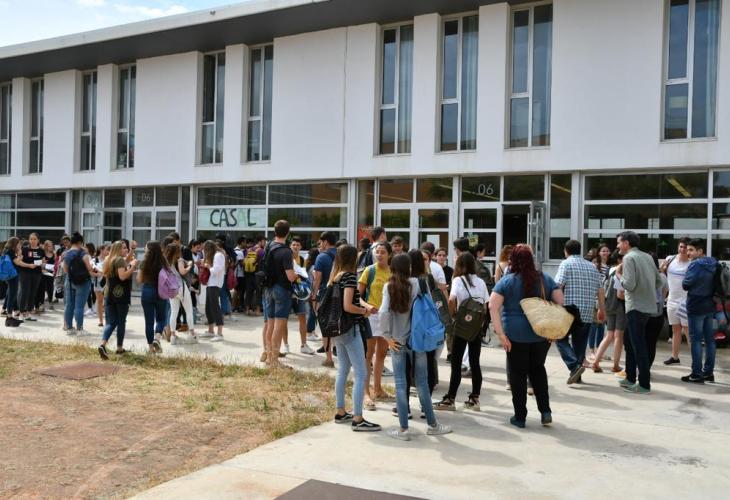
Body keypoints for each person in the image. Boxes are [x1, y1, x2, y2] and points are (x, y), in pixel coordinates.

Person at [489, 244, 563, 428]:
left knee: (518, 375)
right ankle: (545, 411)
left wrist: (500, 334)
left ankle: (520, 417)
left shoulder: (507, 281)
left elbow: (493, 307)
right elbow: (560, 302)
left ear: (512, 260)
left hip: (515, 335)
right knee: (538, 370)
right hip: (541, 334)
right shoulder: (545, 278)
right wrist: (554, 329)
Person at [381, 253, 452, 440]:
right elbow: (431, 310)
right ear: (409, 267)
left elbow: (383, 313)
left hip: (397, 341)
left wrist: (387, 337)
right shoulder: (420, 284)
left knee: (400, 384)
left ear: (393, 268)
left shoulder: (389, 286)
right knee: (422, 383)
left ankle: (404, 429)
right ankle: (432, 425)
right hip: (418, 340)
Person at [330, 244, 381, 432]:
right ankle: (358, 418)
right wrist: (363, 312)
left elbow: (352, 298)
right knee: (360, 372)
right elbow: (348, 306)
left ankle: (341, 411)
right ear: (354, 259)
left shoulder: (336, 277)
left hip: (338, 329)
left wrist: (366, 306)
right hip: (350, 328)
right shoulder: (350, 277)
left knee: (343, 369)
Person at [434, 252, 489, 412]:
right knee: (475, 362)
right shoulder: (480, 282)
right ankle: (475, 399)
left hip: (461, 326)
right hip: (476, 327)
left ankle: (450, 398)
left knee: (456, 363)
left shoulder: (458, 280)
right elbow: (485, 305)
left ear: (460, 265)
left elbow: (451, 300)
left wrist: (452, 316)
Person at [616, 231, 664, 394]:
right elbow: (659, 281)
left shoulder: (628, 258)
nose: (617, 246)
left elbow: (629, 285)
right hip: (648, 306)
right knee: (630, 343)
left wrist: (618, 275)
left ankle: (644, 384)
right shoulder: (648, 257)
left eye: (619, 242)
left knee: (638, 346)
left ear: (626, 243)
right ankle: (630, 378)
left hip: (635, 306)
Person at [554, 240, 605, 385]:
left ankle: (574, 366)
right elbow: (600, 290)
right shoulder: (592, 267)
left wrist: (553, 304)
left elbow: (558, 285)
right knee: (580, 345)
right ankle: (577, 375)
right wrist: (602, 309)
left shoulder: (566, 264)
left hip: (569, 311)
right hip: (588, 312)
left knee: (559, 338)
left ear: (566, 251)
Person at [359, 241, 395, 410]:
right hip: (370, 316)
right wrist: (367, 307)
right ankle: (366, 393)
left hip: (387, 317)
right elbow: (357, 296)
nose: (379, 254)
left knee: (381, 354)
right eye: (377, 252)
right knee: (368, 354)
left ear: (389, 254)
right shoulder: (369, 270)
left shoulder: (393, 272)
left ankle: (378, 389)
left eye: (382, 252)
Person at [681, 239, 717, 384]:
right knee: (709, 340)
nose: (688, 253)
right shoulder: (714, 262)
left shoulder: (695, 264)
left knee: (695, 340)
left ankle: (696, 374)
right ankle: (708, 373)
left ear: (700, 251)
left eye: (691, 250)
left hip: (696, 304)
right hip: (710, 304)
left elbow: (686, 284)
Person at [262, 221, 297, 365]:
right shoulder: (286, 251)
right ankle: (275, 360)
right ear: (288, 233)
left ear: (274, 231)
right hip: (281, 289)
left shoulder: (269, 246)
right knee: (280, 324)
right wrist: (297, 275)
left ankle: (269, 355)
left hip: (268, 288)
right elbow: (290, 276)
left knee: (270, 323)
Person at [98, 241, 138, 359]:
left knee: (111, 322)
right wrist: (133, 267)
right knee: (121, 322)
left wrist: (132, 250)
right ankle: (119, 348)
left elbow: (124, 262)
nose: (126, 250)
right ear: (118, 250)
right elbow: (123, 276)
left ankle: (103, 344)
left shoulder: (108, 259)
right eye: (124, 248)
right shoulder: (119, 260)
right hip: (120, 294)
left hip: (109, 294)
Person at [591, 251, 626, 374]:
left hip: (608, 305)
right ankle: (616, 365)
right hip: (620, 306)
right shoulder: (622, 270)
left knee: (609, 335)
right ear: (620, 259)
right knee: (618, 336)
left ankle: (595, 361)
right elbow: (620, 293)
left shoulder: (609, 270)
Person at [284, 237, 315, 355]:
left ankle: (304, 345)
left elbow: (304, 276)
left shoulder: (302, 259)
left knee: (302, 318)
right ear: (290, 246)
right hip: (287, 292)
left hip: (299, 293)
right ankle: (286, 345)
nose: (295, 247)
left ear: (301, 247)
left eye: (298, 245)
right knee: (284, 320)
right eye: (293, 245)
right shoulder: (286, 258)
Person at [311, 231, 338, 367]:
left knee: (325, 326)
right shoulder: (341, 254)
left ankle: (329, 359)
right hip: (341, 294)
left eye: (321, 242)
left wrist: (313, 296)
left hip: (325, 294)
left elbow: (317, 279)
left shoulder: (321, 257)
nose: (320, 245)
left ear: (326, 242)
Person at [663, 238, 691, 365]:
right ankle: (674, 357)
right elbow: (662, 271)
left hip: (686, 300)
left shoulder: (692, 263)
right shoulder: (671, 259)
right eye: (681, 247)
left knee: (687, 330)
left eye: (685, 247)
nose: (683, 249)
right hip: (671, 299)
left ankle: (695, 360)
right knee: (675, 329)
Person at [62, 232, 96, 335]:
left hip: (70, 280)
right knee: (79, 306)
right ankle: (79, 329)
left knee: (69, 305)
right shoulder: (84, 254)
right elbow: (90, 268)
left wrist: (73, 274)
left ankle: (68, 327)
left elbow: (65, 269)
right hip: (83, 282)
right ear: (80, 242)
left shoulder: (66, 254)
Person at [165, 243, 197, 345]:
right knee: (189, 311)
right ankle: (192, 334)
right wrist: (190, 265)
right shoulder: (178, 260)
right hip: (180, 287)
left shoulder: (165, 262)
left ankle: (173, 336)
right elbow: (183, 272)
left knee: (174, 312)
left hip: (171, 288)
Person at [136, 241, 166, 354]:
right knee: (161, 318)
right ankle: (157, 338)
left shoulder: (144, 262)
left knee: (149, 322)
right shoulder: (163, 261)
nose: (144, 248)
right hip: (161, 292)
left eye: (145, 247)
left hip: (147, 291)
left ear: (149, 249)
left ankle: (150, 348)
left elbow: (138, 280)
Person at [587, 245, 611, 359]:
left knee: (601, 326)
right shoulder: (596, 265)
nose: (605, 253)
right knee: (594, 325)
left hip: (604, 299)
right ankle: (591, 351)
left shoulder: (609, 267)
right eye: (603, 251)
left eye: (607, 251)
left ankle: (599, 351)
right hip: (594, 299)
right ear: (599, 253)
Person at [200, 239, 226, 343]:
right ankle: (211, 330)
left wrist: (207, 265)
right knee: (208, 308)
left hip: (215, 284)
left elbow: (216, 270)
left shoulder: (218, 255)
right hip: (211, 284)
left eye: (205, 250)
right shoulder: (216, 255)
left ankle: (219, 333)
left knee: (215, 307)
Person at [645, 253, 668, 367]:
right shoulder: (662, 276)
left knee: (640, 343)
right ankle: (647, 368)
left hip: (644, 314)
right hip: (658, 315)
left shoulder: (644, 275)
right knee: (651, 343)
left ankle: (640, 369)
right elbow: (665, 293)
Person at [16, 232, 44, 322]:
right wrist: (29, 265)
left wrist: (42, 263)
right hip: (25, 273)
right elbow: (19, 262)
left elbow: (42, 262)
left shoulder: (41, 251)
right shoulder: (24, 250)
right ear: (29, 240)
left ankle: (28, 313)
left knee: (32, 293)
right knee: (25, 292)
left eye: (35, 239)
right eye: (31, 239)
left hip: (36, 274)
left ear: (38, 240)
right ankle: (21, 313)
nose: (33, 241)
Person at [2, 237, 22, 326]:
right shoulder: (10, 252)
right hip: (12, 276)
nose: (19, 245)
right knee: (12, 296)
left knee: (11, 294)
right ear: (14, 244)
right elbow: (17, 262)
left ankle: (14, 313)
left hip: (11, 276)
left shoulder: (8, 251)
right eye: (18, 244)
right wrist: (20, 256)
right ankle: (9, 318)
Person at [91, 244, 108, 327]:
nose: (108, 251)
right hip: (98, 283)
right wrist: (97, 274)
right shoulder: (94, 260)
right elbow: (91, 270)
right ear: (101, 250)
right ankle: (101, 321)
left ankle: (108, 320)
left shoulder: (108, 260)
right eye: (106, 250)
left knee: (107, 302)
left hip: (107, 283)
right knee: (100, 301)